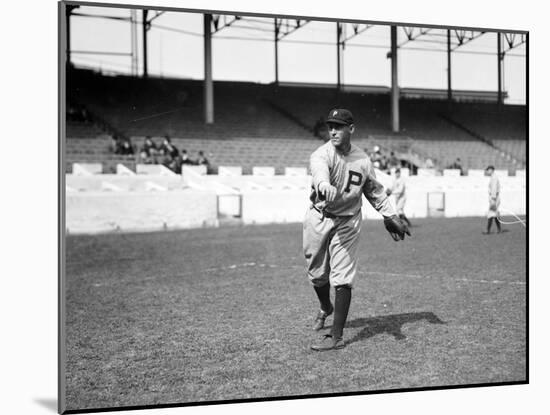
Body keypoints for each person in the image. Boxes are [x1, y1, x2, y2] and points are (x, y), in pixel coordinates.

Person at [303, 108, 411, 352]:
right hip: (319, 217)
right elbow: (319, 174)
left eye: (339, 126)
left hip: (348, 221)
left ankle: (337, 336)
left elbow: (374, 190)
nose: (333, 131)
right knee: (317, 273)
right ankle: (325, 307)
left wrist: (390, 214)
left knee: (342, 276)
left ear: (351, 129)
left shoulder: (363, 160)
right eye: (330, 126)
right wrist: (323, 185)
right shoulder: (321, 155)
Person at [483, 165, 502, 234]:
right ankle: (499, 229)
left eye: (488, 170)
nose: (487, 171)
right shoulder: (494, 177)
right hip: (495, 198)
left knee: (491, 214)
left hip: (494, 198)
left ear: (491, 170)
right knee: (494, 214)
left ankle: (488, 230)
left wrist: (493, 199)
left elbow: (494, 188)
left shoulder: (494, 178)